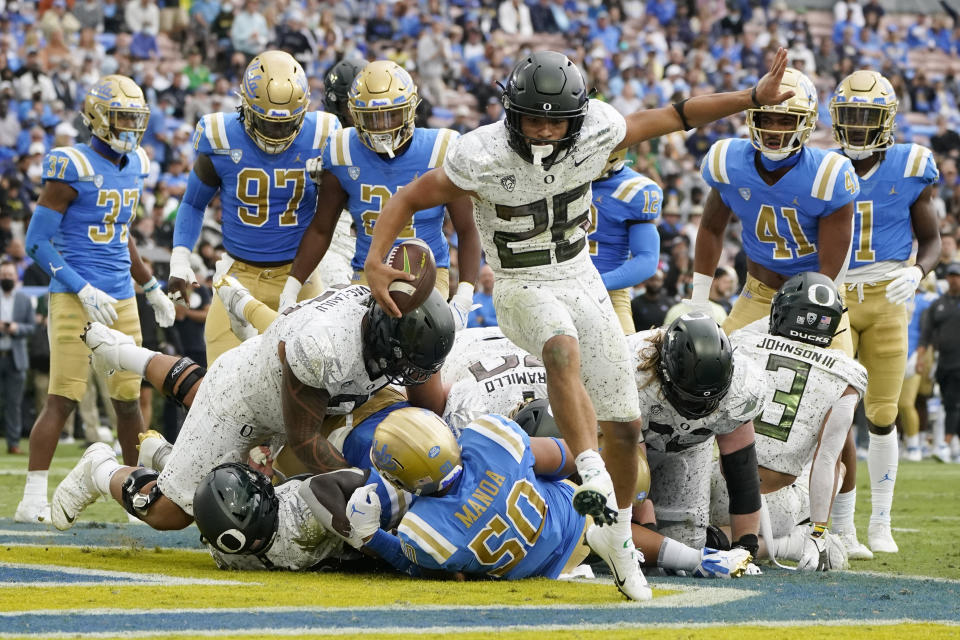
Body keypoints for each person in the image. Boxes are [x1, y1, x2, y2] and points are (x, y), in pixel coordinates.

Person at [361, 48, 795, 601]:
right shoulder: (482, 153)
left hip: (580, 275)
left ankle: (615, 537)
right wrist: (377, 258)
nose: (543, 130)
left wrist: (751, 99)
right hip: (519, 284)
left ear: (577, 119)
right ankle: (588, 475)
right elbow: (408, 196)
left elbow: (675, 115)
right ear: (511, 112)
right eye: (532, 117)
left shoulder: (596, 131)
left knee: (626, 426)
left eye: (555, 119)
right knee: (562, 349)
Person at [51, 284, 454, 532]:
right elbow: (303, 438)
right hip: (244, 403)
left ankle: (122, 352)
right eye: (406, 363)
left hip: (267, 377)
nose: (408, 374)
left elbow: (426, 398)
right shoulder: (327, 349)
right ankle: (99, 469)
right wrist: (369, 488)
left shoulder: (389, 315)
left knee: (208, 394)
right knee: (172, 513)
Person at [344, 406, 752, 590]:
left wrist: (369, 537)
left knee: (459, 565)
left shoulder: (423, 530)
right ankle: (700, 560)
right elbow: (562, 457)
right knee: (602, 514)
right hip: (568, 520)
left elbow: (419, 567)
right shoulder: (489, 438)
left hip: (533, 570)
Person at [14, 75, 176, 524]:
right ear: (99, 118)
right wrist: (81, 287)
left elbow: (120, 235)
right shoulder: (72, 166)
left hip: (121, 296)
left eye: (135, 118)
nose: (130, 127)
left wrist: (149, 286)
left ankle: (133, 492)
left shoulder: (136, 163)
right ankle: (32, 498)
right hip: (74, 295)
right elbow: (36, 242)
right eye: (122, 117)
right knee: (62, 397)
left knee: (129, 402)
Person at [828, 70, 942, 556]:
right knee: (834, 410)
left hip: (890, 292)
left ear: (887, 120)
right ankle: (839, 524)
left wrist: (917, 272)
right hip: (834, 294)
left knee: (882, 413)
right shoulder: (822, 164)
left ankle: (879, 522)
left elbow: (933, 239)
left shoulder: (912, 164)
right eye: (848, 115)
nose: (855, 126)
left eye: (865, 117)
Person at [166, 50, 341, 364]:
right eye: (267, 122)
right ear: (244, 106)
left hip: (299, 275)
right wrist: (180, 258)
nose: (278, 133)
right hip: (239, 277)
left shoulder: (324, 134)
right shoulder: (221, 138)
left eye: (288, 124)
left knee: (322, 385)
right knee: (221, 386)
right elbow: (193, 204)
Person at [286, 61, 481, 329]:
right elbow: (322, 229)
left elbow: (468, 228)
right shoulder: (341, 149)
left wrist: (464, 297)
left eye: (391, 115)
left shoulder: (440, 148)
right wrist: (291, 288)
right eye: (371, 118)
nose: (382, 127)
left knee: (417, 344)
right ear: (354, 115)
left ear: (410, 109)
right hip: (366, 272)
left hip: (426, 271)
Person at [689, 67, 857, 351]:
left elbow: (832, 267)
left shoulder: (828, 174)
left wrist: (811, 309)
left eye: (785, 120)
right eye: (766, 118)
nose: (773, 130)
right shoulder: (728, 161)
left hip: (818, 299)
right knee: (718, 380)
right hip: (759, 295)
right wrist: (699, 298)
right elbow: (710, 228)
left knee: (839, 390)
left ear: (806, 122)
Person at [713, 272, 867, 571]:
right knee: (839, 463)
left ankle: (698, 537)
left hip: (714, 485)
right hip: (776, 507)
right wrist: (820, 533)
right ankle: (791, 544)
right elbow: (828, 461)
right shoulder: (846, 373)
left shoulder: (742, 343)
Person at [626, 313, 765, 561]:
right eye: (691, 398)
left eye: (712, 398)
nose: (701, 408)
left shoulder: (743, 387)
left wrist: (746, 548)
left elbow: (741, 471)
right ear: (663, 372)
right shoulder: (631, 375)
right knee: (634, 540)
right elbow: (633, 475)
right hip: (622, 446)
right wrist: (647, 532)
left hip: (687, 447)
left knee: (687, 543)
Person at [586, 149, 662, 333]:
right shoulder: (554, 177)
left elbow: (647, 260)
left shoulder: (635, 190)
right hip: (554, 284)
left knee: (623, 358)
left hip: (608, 292)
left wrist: (596, 284)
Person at [917, 262, 960, 462]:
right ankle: (952, 445)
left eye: (957, 276)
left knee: (953, 403)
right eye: (951, 275)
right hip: (944, 362)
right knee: (948, 403)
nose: (954, 279)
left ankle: (945, 442)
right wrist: (920, 358)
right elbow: (926, 334)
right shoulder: (938, 304)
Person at [0, 260, 35, 454]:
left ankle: (13, 443)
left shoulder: (23, 299)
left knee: (14, 404)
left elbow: (32, 327)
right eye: (3, 274)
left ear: (16, 277)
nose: (6, 278)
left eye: (9, 275)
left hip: (15, 358)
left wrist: (16, 328)